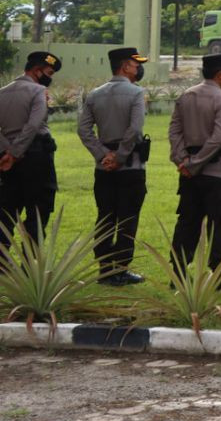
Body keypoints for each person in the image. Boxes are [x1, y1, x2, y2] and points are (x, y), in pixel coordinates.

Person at [77, 47, 150, 284]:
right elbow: (135, 129)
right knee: (128, 218)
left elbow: (84, 129)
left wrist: (102, 156)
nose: (138, 67)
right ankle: (120, 269)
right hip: (130, 167)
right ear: (125, 66)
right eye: (135, 63)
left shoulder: (95, 94)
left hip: (103, 169)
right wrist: (119, 157)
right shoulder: (136, 93)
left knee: (105, 217)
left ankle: (104, 268)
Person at [168, 53, 221, 280]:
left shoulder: (186, 96)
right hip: (217, 171)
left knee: (187, 223)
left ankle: (178, 273)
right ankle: (220, 276)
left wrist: (184, 161)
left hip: (189, 173)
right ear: (220, 74)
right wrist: (197, 163)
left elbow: (174, 132)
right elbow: (218, 138)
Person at [0, 51, 62, 249]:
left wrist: (8, 152)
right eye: (49, 73)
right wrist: (16, 153)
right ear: (37, 71)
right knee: (38, 210)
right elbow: (33, 125)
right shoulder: (37, 91)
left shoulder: (2, 92)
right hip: (36, 156)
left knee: (7, 211)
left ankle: (2, 264)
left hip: (6, 160)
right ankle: (29, 267)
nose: (49, 78)